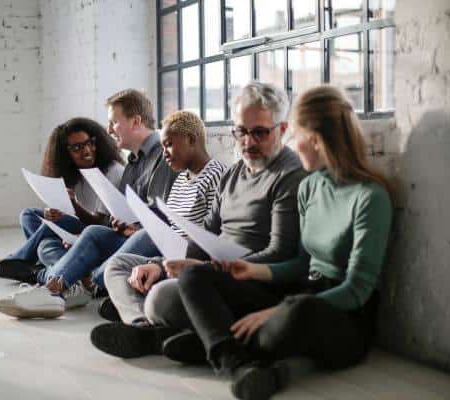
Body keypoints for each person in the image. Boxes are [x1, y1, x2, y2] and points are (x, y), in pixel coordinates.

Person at [176, 85, 393, 400]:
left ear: (315, 139)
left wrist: (278, 311)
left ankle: (207, 342)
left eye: (297, 135)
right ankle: (235, 362)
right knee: (194, 276)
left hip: (340, 317)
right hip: (300, 293)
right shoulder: (310, 187)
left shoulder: (370, 197)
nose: (293, 144)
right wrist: (252, 271)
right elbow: (301, 264)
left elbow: (357, 289)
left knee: (297, 312)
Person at [90, 81, 306, 358]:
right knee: (121, 267)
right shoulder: (233, 174)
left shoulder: (289, 176)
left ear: (283, 130)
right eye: (241, 132)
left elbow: (280, 253)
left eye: (260, 133)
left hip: (250, 282)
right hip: (210, 272)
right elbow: (205, 234)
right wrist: (159, 265)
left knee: (160, 298)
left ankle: (154, 327)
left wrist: (209, 269)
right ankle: (143, 325)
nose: (248, 142)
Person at [0, 89, 179, 318]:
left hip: (152, 239)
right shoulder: (133, 163)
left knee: (95, 235)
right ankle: (60, 285)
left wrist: (132, 228)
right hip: (128, 235)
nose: (109, 130)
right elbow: (117, 215)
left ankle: (62, 283)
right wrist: (117, 223)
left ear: (136, 122)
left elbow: (161, 218)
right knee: (70, 232)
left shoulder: (164, 155)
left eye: (114, 122)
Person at [96, 110, 226, 326]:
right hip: (168, 256)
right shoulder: (181, 180)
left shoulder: (216, 177)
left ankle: (131, 308)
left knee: (148, 282)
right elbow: (172, 229)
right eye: (163, 146)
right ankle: (139, 320)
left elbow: (211, 237)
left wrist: (161, 261)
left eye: (169, 145)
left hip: (192, 260)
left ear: (192, 140)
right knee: (117, 264)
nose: (164, 153)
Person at [0, 117, 124, 280]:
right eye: (77, 147)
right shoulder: (74, 173)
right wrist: (55, 212)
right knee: (31, 219)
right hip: (80, 229)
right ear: (66, 153)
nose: (86, 150)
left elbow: (98, 224)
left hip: (100, 232)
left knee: (47, 241)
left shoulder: (111, 171)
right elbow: (69, 214)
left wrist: (72, 207)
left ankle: (14, 261)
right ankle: (45, 266)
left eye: (89, 143)